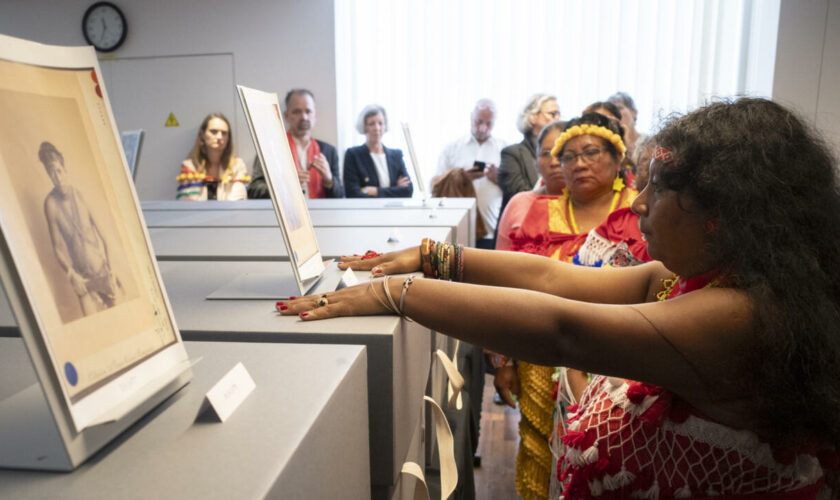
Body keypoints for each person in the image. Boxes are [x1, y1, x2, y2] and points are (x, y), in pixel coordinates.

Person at [277, 98, 840, 498]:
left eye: (660, 189)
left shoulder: (739, 316)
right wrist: (433, 259)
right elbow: (556, 279)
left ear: (725, 212)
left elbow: (560, 328)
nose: (639, 204)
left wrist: (399, 295)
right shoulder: (697, 277)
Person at [494, 115, 649, 500]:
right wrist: (506, 361)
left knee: (611, 460)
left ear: (617, 159)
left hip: (618, 361)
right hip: (540, 355)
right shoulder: (539, 214)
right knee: (538, 445)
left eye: (591, 153)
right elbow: (516, 292)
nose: (579, 164)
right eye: (569, 156)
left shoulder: (640, 212)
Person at [40, 141, 122, 316]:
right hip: (82, 279)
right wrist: (70, 273)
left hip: (103, 270)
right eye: (52, 174)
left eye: (59, 171)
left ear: (65, 170)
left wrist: (111, 271)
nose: (57, 178)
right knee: (94, 326)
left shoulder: (81, 194)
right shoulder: (51, 204)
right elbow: (57, 247)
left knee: (120, 317)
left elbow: (105, 238)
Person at [434, 99, 508, 249]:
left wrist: (497, 177)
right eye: (478, 121)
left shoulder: (505, 149)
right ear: (470, 117)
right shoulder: (452, 148)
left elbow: (515, 188)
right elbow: (436, 184)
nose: (482, 128)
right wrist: (460, 176)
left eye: (488, 124)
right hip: (457, 230)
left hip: (492, 229)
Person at [248, 89, 344, 199]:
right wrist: (286, 186)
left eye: (308, 111)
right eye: (297, 112)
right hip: (283, 215)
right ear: (286, 116)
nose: (304, 117)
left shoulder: (329, 151)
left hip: (321, 214)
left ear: (314, 115)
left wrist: (329, 180)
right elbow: (253, 190)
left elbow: (340, 196)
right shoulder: (271, 148)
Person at [498, 94, 560, 216]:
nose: (558, 119)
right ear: (533, 117)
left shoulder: (565, 153)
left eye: (559, 114)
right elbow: (521, 197)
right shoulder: (511, 154)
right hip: (520, 225)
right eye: (552, 114)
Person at [343, 104, 412, 198]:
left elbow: (407, 191)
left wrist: (375, 191)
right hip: (366, 211)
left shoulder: (396, 155)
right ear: (364, 127)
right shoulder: (353, 155)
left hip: (394, 211)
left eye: (380, 123)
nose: (377, 128)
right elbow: (352, 193)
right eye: (372, 124)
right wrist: (395, 189)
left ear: (385, 126)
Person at [177, 113, 249, 201]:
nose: (219, 137)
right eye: (213, 132)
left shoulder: (237, 166)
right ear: (202, 134)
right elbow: (187, 203)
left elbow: (238, 202)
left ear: (228, 138)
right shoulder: (189, 167)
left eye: (224, 133)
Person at [609, 91, 643, 159]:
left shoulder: (650, 142)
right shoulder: (609, 146)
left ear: (634, 113)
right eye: (611, 111)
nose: (614, 115)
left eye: (619, 108)